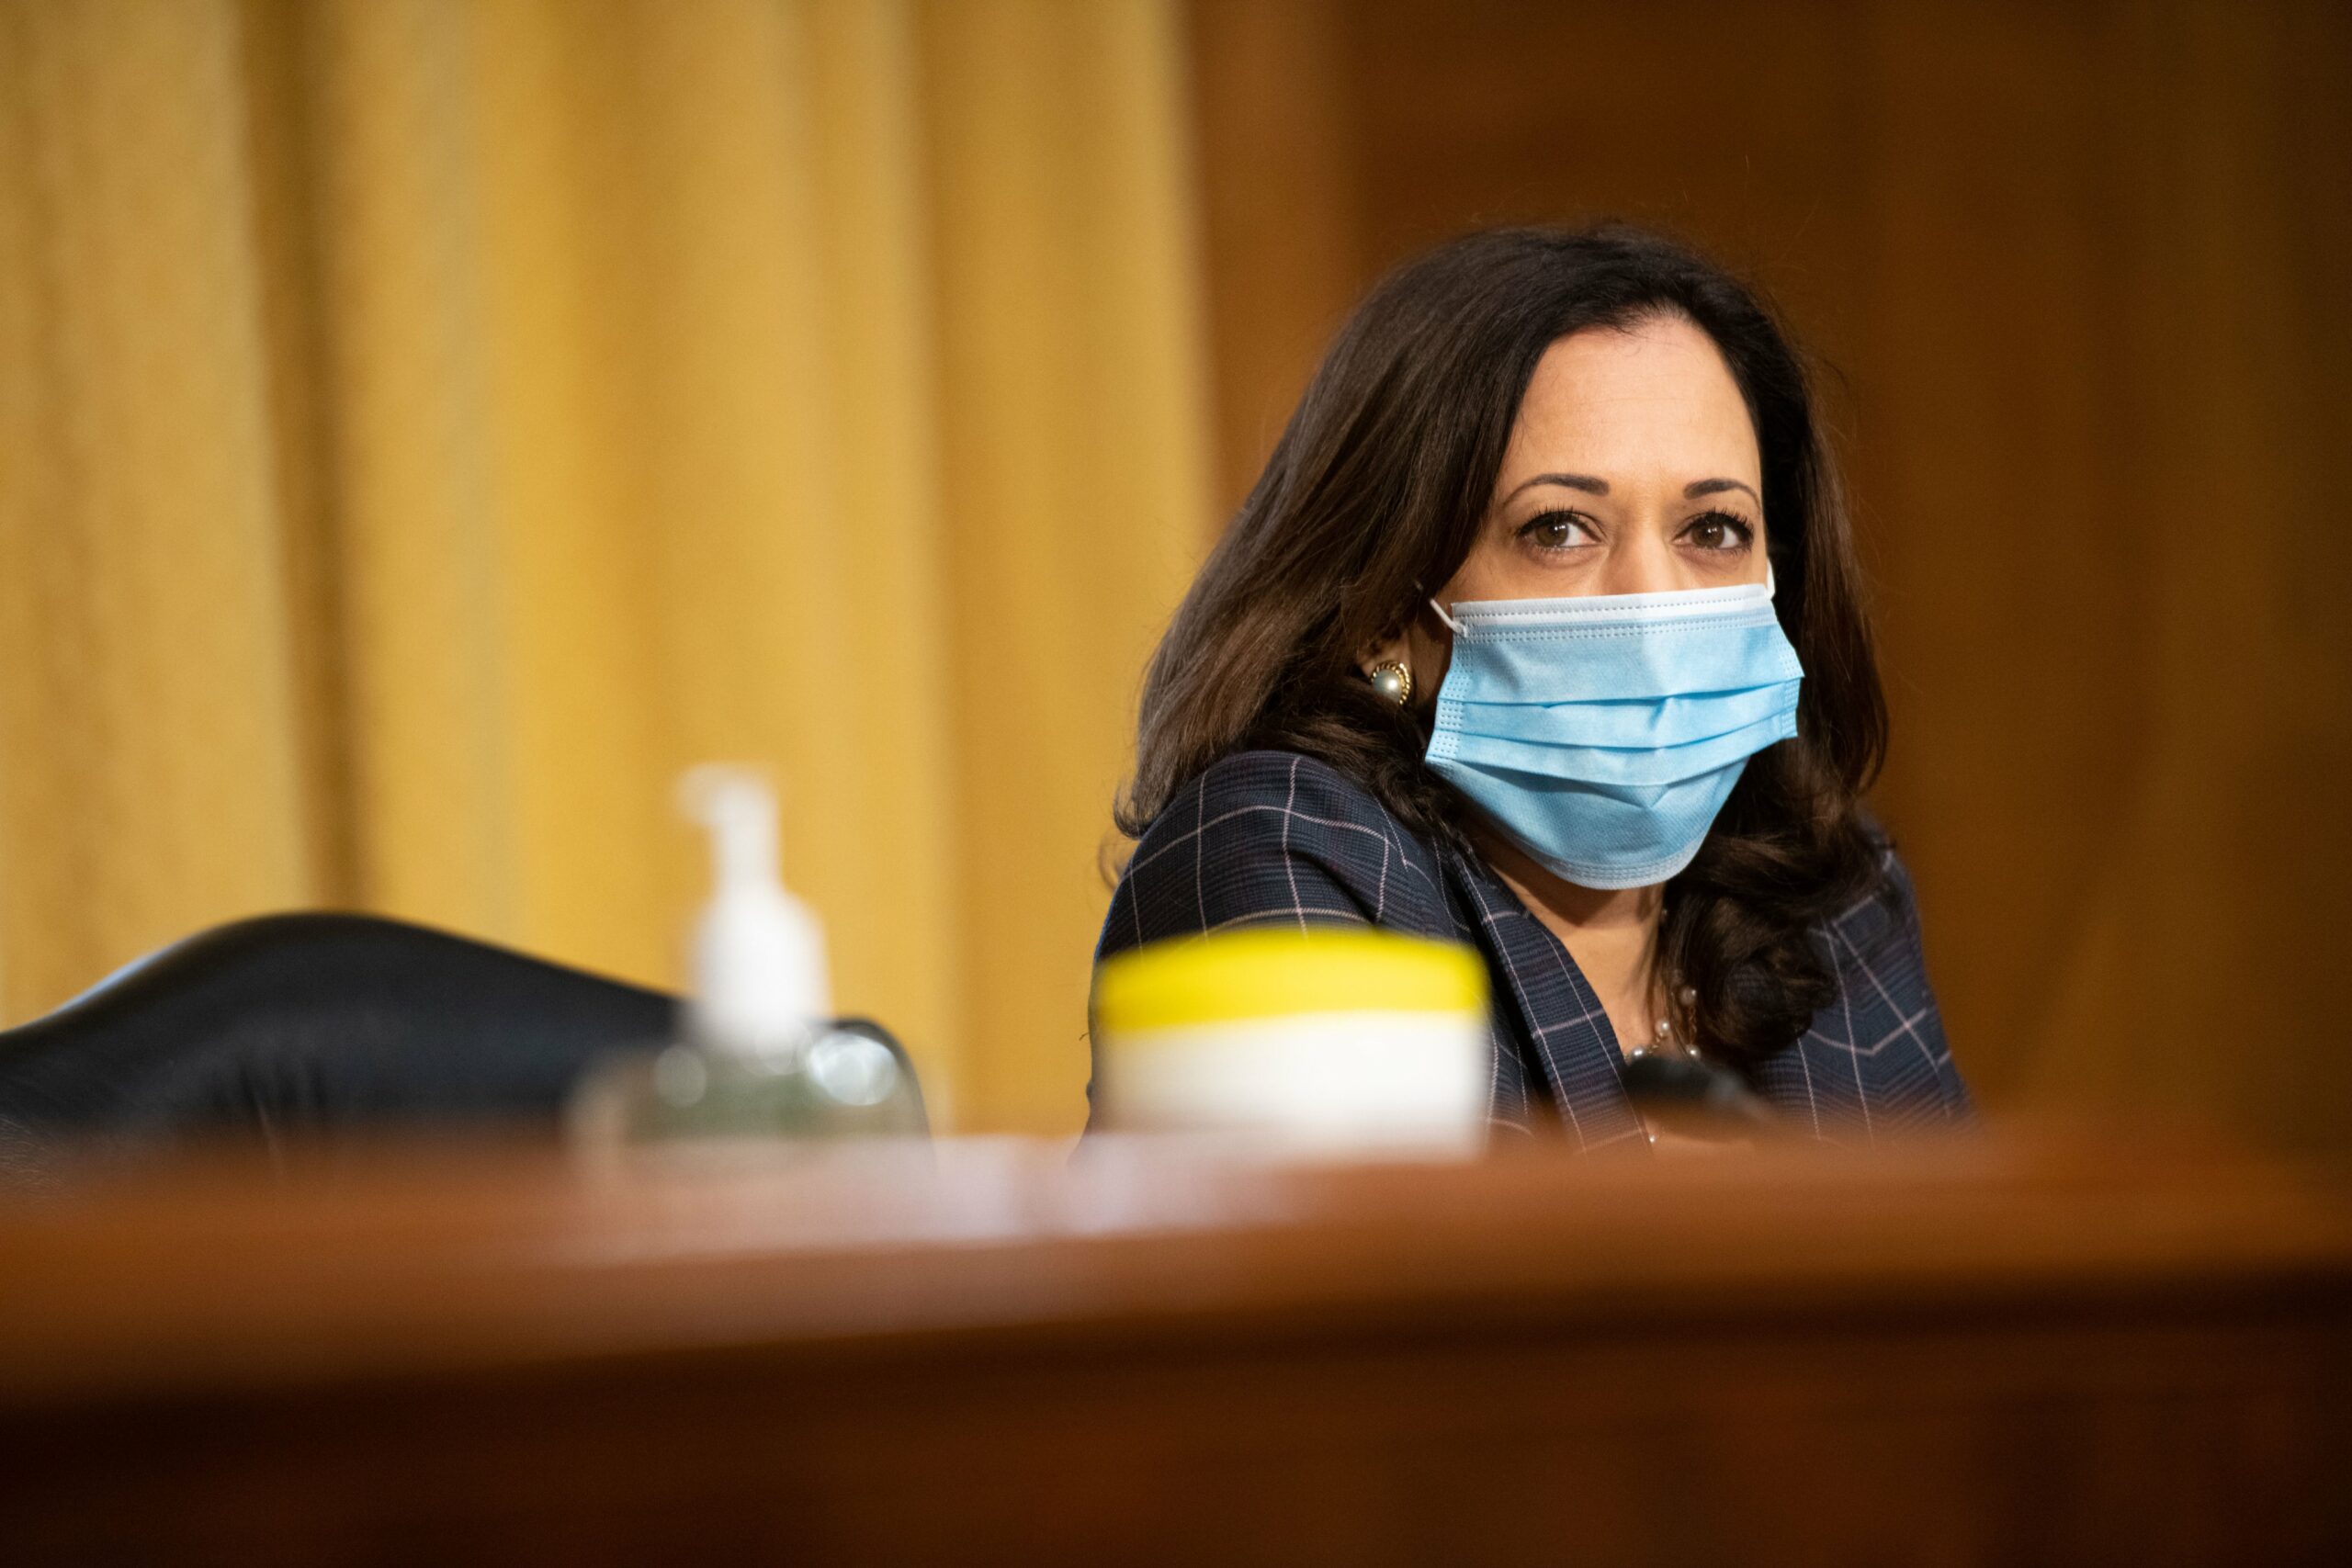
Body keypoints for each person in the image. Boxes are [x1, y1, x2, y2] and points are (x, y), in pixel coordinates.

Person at [1092, 224, 1970, 1151]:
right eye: (1559, 529)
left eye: (1711, 530)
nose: (1652, 603)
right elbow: (1399, 1290)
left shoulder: (1823, 889)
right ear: (1383, 607)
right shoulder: (1283, 850)